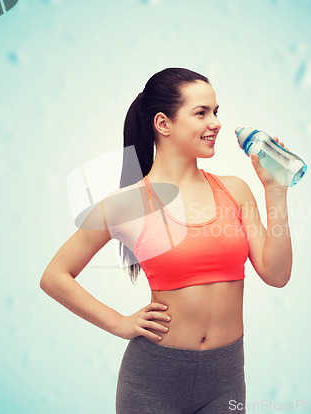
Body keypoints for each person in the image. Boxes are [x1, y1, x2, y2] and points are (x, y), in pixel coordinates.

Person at [40, 67, 293, 413]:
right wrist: (119, 322)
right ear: (163, 123)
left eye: (216, 112)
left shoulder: (234, 190)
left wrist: (275, 190)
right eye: (201, 113)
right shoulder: (127, 204)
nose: (215, 123)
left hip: (226, 379)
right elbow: (54, 276)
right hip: (152, 382)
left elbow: (277, 275)